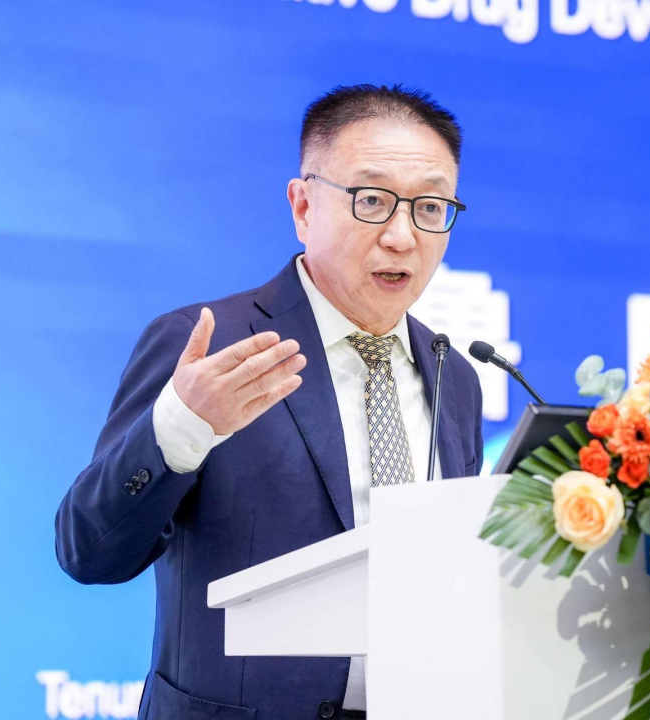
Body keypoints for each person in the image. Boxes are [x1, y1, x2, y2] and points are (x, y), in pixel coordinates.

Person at [55, 84, 484, 720]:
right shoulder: (209, 346)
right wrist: (180, 429)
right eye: (372, 200)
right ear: (303, 206)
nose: (402, 236)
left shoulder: (456, 376)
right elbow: (88, 552)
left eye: (430, 207)